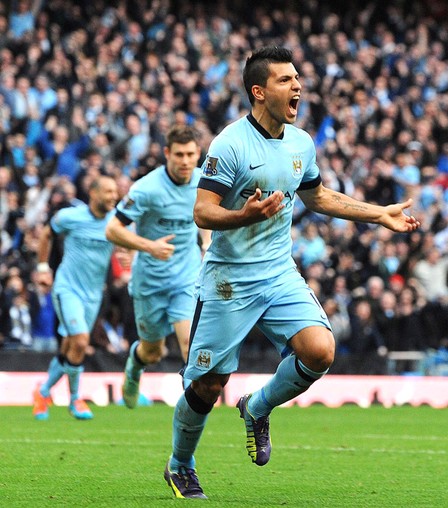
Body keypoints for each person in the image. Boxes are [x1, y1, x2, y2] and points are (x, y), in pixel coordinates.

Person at [163, 46, 420, 500]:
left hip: (279, 272)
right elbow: (203, 212)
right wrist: (246, 216)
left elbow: (318, 197)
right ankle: (180, 465)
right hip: (229, 278)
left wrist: (379, 214)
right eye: (285, 80)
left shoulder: (301, 142)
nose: (297, 85)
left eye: (297, 77)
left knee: (320, 350)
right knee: (207, 384)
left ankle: (257, 408)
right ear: (259, 92)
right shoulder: (231, 144)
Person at [105, 125, 209, 408]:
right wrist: (149, 246)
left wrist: (206, 242)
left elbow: (206, 217)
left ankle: (190, 412)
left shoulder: (204, 183)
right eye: (179, 155)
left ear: (198, 153)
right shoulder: (147, 189)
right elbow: (112, 229)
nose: (185, 161)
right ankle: (134, 367)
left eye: (190, 154)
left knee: (189, 343)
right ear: (167, 154)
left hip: (185, 277)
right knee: (153, 351)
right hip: (149, 280)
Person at [32, 175, 118, 420]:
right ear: (93, 193)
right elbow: (47, 234)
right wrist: (42, 268)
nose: (113, 196)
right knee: (80, 341)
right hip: (67, 288)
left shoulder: (116, 222)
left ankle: (43, 391)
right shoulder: (70, 217)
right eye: (108, 191)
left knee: (71, 346)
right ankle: (75, 399)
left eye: (115, 192)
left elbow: (128, 242)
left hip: (93, 295)